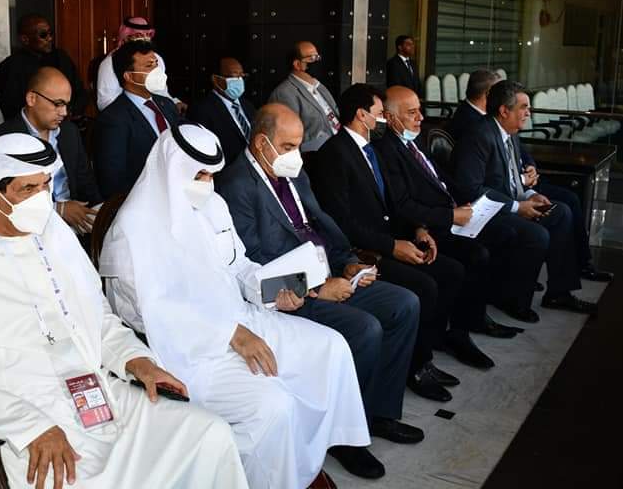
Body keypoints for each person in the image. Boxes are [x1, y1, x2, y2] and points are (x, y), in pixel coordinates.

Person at [0, 133, 248, 489]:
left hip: (96, 388)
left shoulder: (56, 234)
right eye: (28, 189)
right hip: (16, 414)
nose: (41, 198)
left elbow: (97, 317)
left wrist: (137, 360)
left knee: (210, 434)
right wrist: (30, 427)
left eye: (45, 185)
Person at [101, 123, 372, 489]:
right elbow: (145, 314)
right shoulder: (132, 229)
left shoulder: (212, 203)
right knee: (273, 406)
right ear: (170, 167)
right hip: (187, 351)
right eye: (198, 174)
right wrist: (228, 334)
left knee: (331, 348)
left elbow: (239, 265)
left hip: (242, 318)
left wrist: (278, 290)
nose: (207, 183)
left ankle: (306, 461)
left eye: (211, 174)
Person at [217, 104, 423, 480]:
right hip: (289, 294)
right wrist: (315, 289)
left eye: (298, 145)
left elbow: (320, 224)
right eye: (288, 146)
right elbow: (251, 265)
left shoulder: (290, 171)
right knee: (364, 329)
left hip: (331, 272)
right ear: (261, 143)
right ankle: (345, 437)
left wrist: (349, 262)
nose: (296, 154)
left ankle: (378, 413)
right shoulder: (236, 187)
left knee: (404, 305)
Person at [308, 84, 488, 404]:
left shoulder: (371, 149)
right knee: (424, 287)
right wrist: (392, 246)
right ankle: (414, 368)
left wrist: (419, 230)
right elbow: (342, 223)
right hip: (364, 250)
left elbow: (395, 202)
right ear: (362, 115)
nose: (383, 120)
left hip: (392, 237)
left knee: (450, 271)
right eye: (379, 114)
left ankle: (427, 353)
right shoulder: (334, 154)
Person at [376, 86, 526, 341]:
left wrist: (467, 201)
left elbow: (440, 178)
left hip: (452, 212)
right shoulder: (386, 151)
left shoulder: (414, 139)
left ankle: (476, 314)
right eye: (412, 113)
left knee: (505, 234)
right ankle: (460, 330)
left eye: (420, 110)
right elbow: (403, 205)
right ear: (390, 118)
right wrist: (451, 216)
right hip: (429, 224)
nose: (421, 117)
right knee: (476, 254)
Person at [451, 80, 597, 321]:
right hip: (483, 212)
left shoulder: (509, 132)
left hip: (508, 202)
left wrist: (531, 195)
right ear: (504, 110)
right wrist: (518, 207)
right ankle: (514, 300)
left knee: (561, 212)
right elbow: (470, 189)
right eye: (523, 107)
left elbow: (512, 179)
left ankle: (559, 292)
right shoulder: (478, 136)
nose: (529, 112)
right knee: (536, 234)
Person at [0, 67, 101, 235]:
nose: (64, 112)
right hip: (24, 231)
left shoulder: (69, 132)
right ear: (32, 98)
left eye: (67, 105)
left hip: (75, 225)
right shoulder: (0, 141)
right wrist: (57, 209)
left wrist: (99, 213)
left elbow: (85, 181)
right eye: (58, 104)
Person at [93, 39, 181, 199]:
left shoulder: (167, 105)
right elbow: (113, 180)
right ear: (129, 76)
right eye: (149, 66)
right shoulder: (113, 118)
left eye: (156, 64)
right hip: (144, 200)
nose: (157, 71)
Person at [0, 14, 88, 120]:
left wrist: (69, 112)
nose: (50, 38)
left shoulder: (61, 58)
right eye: (43, 35)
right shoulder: (10, 66)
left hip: (65, 122)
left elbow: (80, 92)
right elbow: (11, 107)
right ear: (25, 39)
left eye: (50, 33)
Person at [95, 17, 185, 113]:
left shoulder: (156, 58)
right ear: (126, 37)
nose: (143, 40)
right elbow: (106, 103)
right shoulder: (110, 63)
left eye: (147, 35)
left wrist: (174, 103)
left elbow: (161, 92)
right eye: (138, 36)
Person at [268, 41, 341, 152]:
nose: (317, 61)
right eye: (312, 58)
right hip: (316, 152)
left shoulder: (319, 86)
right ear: (297, 64)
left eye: (317, 57)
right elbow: (289, 136)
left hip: (337, 143)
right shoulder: (284, 93)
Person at [187, 57, 256, 165]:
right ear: (215, 79)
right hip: (227, 170)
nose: (239, 81)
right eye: (233, 76)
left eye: (242, 76)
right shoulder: (202, 110)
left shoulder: (248, 106)